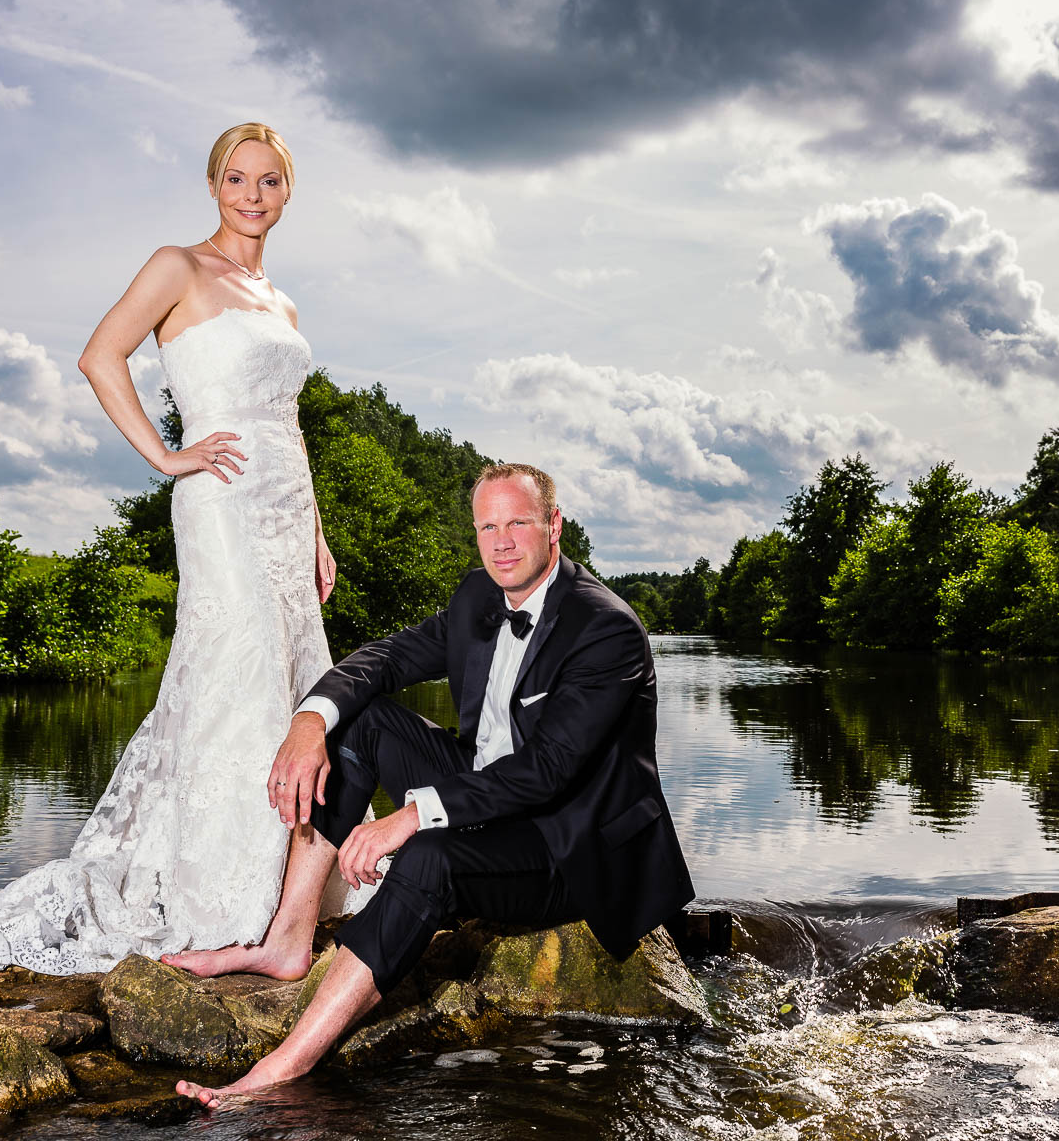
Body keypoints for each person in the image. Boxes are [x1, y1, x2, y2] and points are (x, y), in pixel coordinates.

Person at [0, 123, 372, 975]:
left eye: (269, 182)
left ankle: (290, 897)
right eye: (235, 178)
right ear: (212, 185)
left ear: (289, 195)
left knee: (295, 683)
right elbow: (99, 356)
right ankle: (222, 896)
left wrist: (317, 533)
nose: (252, 195)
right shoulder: (177, 266)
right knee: (236, 679)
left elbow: (287, 427)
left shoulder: (281, 302)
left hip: (287, 510)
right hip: (219, 502)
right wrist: (169, 457)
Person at [170, 462, 696, 1106]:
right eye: (487, 526)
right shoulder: (478, 597)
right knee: (360, 723)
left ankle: (286, 1064)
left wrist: (412, 814)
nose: (501, 541)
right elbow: (387, 658)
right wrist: (310, 718)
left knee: (428, 856)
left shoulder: (606, 630)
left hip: (567, 844)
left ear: (554, 527)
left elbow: (546, 772)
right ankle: (286, 942)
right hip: (487, 800)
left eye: (519, 524)